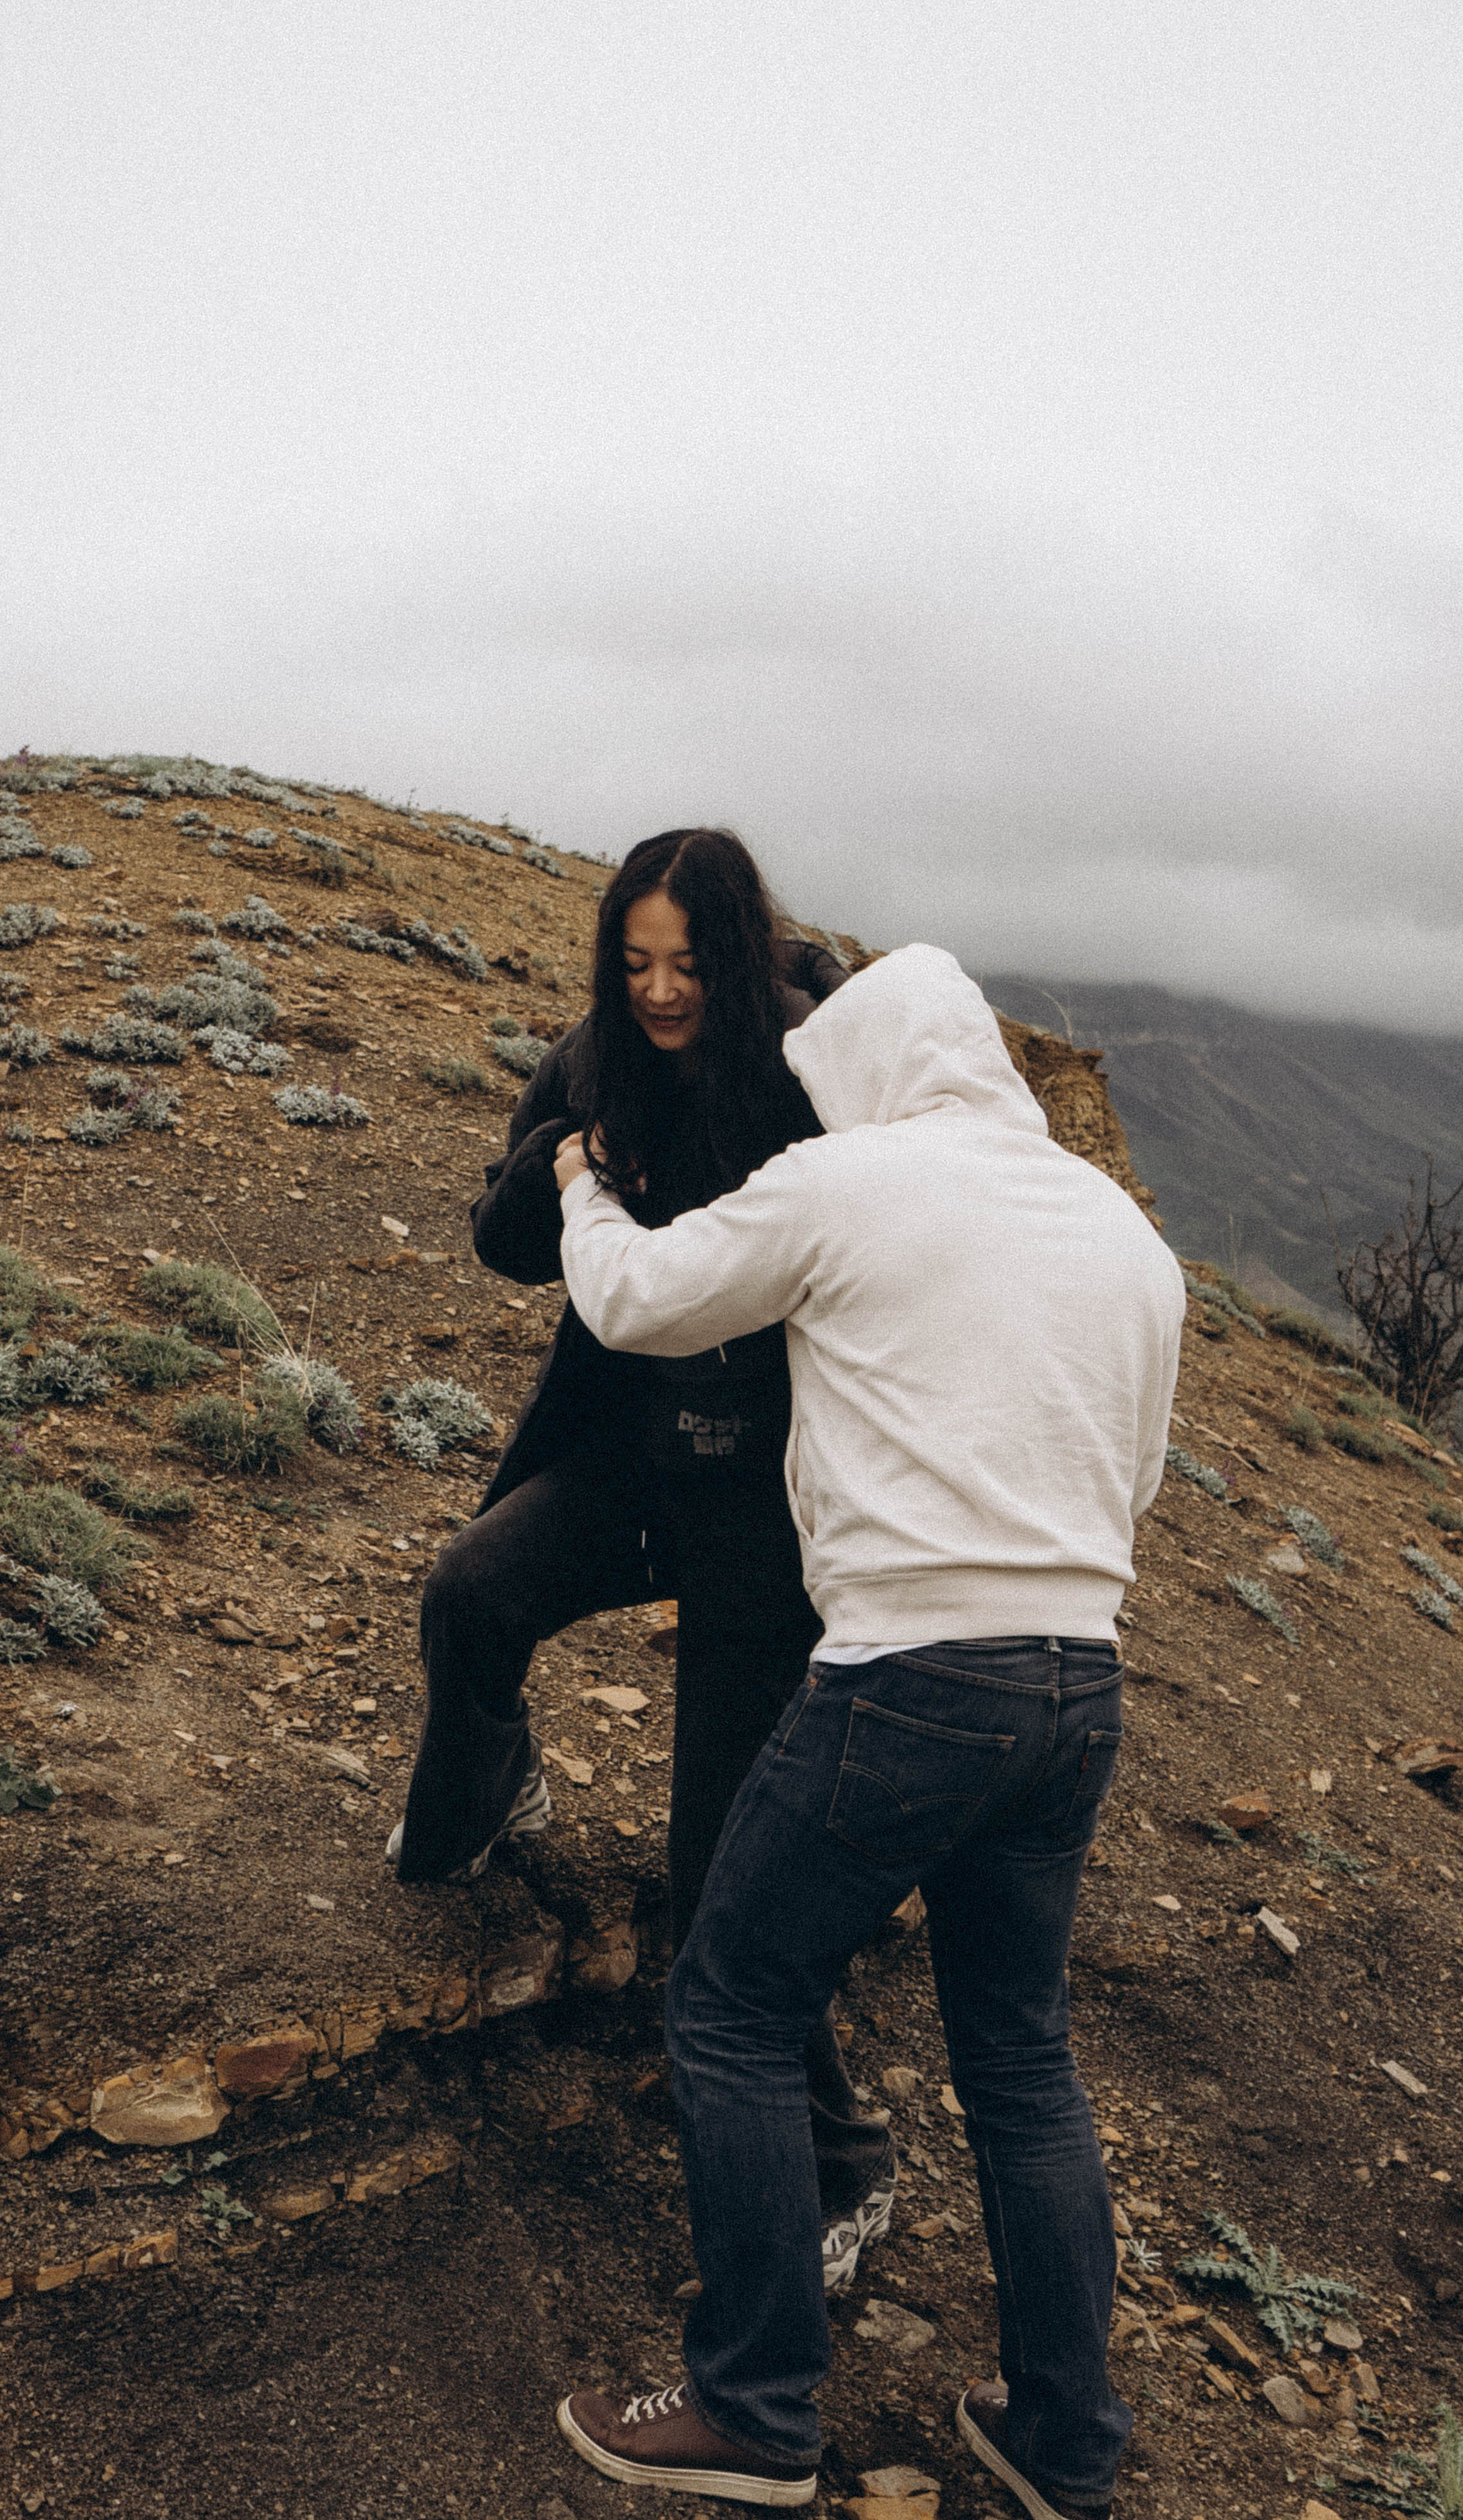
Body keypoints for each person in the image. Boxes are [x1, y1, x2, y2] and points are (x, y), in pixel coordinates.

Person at [550, 944, 1185, 2518]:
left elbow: (633, 1301)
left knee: (730, 2006)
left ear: (865, 1071)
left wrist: (578, 1185)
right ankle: (1062, 2440)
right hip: (1075, 1685)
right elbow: (1134, 1479)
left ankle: (752, 2407)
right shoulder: (1121, 1234)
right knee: (1019, 2058)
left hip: (909, 1676)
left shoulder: (849, 1183)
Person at [386, 826, 896, 2280]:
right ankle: (487, 1791)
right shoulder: (594, 1057)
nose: (660, 991)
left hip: (771, 1503)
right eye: (634, 962)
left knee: (717, 1866)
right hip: (628, 1460)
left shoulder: (812, 1071)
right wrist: (560, 1161)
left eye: (686, 964)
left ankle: (840, 2170)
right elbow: (502, 1243)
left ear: (736, 954)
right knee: (473, 1591)